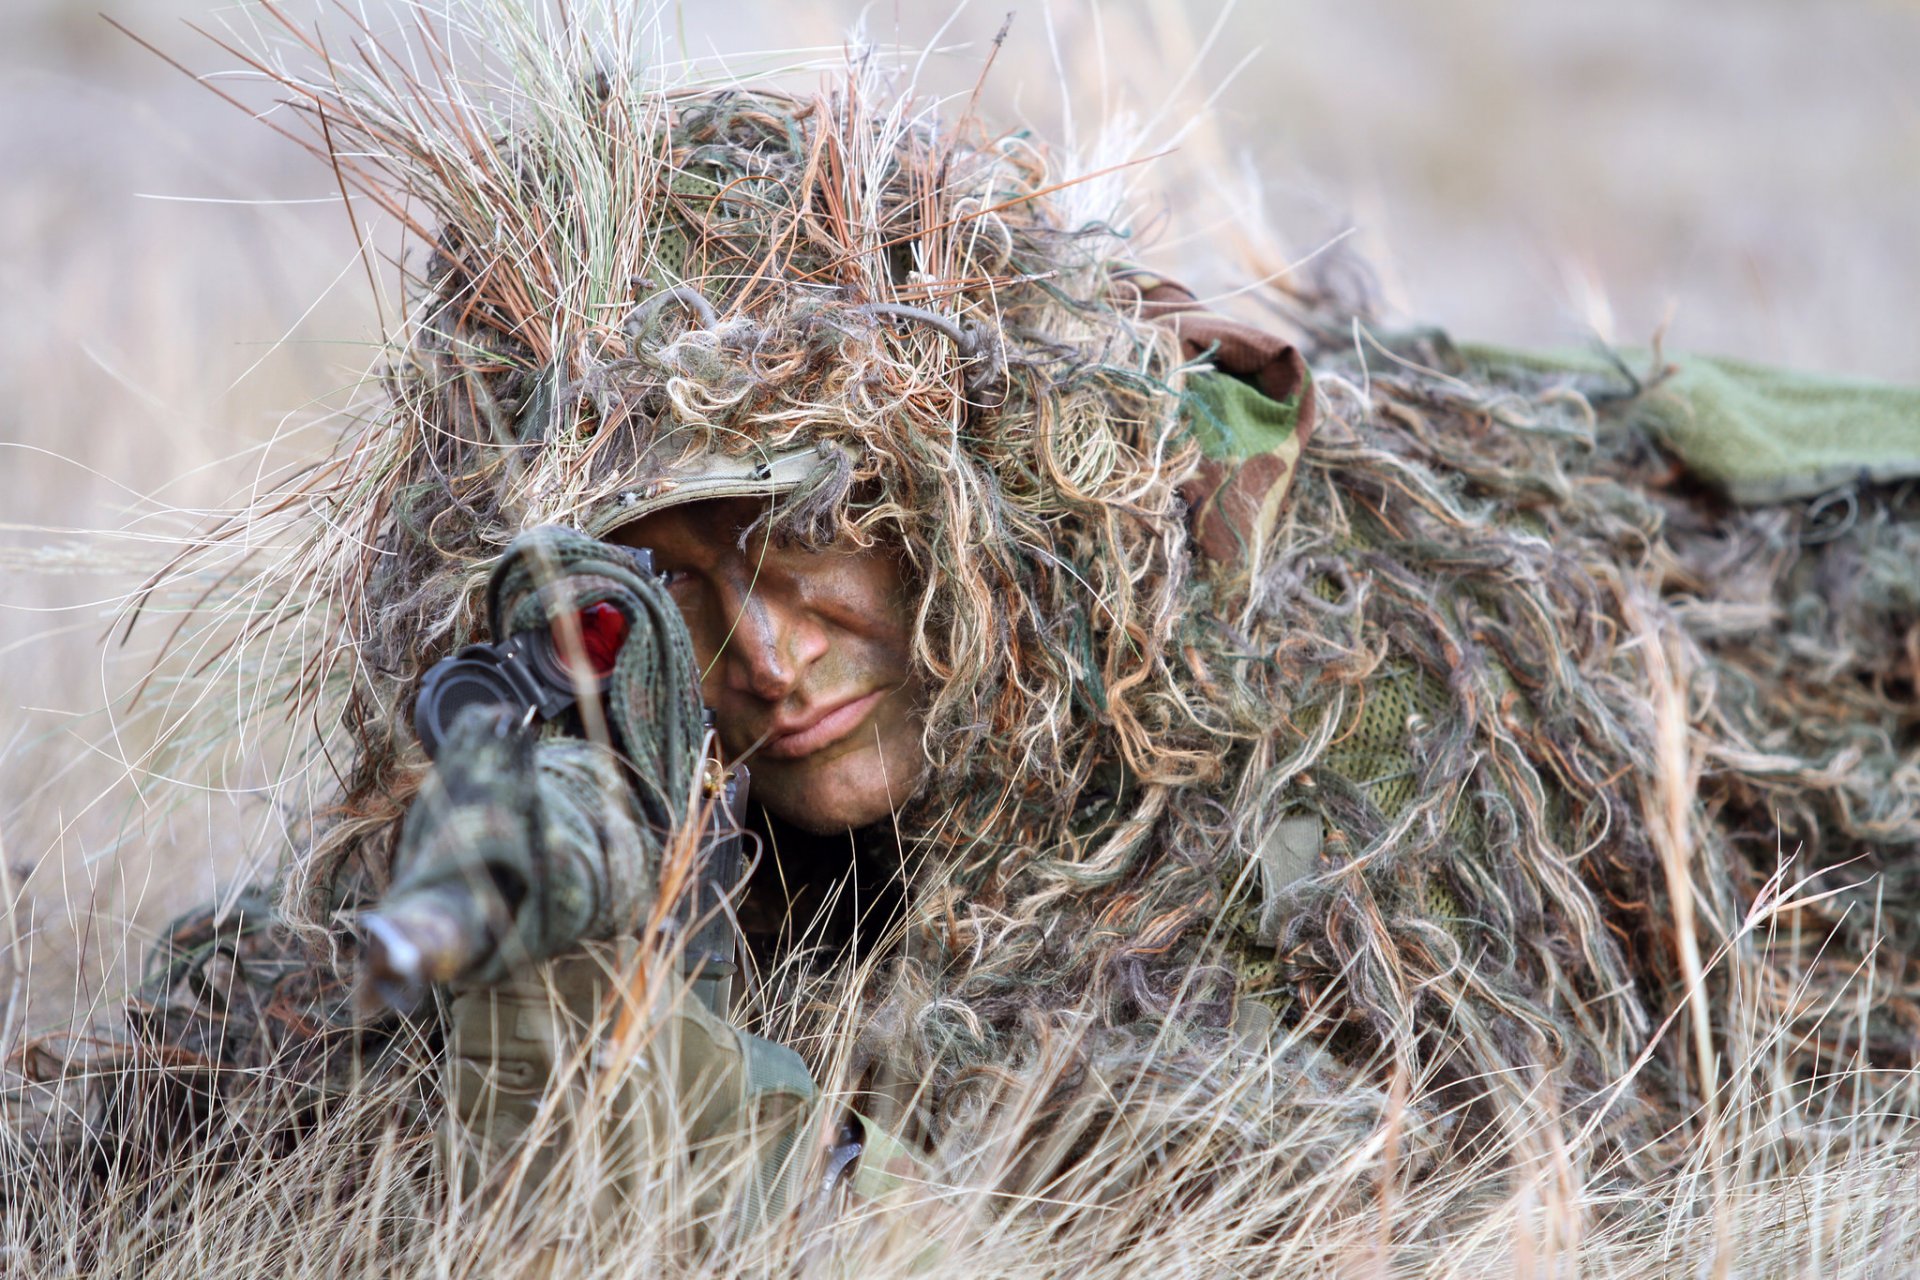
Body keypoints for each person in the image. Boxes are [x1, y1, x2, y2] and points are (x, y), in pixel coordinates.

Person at [95, 7, 1920, 1255]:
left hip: (1797, 620)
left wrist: (671, 1053)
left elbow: (1205, 1168)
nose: (767, 651)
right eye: (673, 586)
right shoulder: (629, 749)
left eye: (806, 536)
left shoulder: (1238, 689)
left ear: (955, 508)